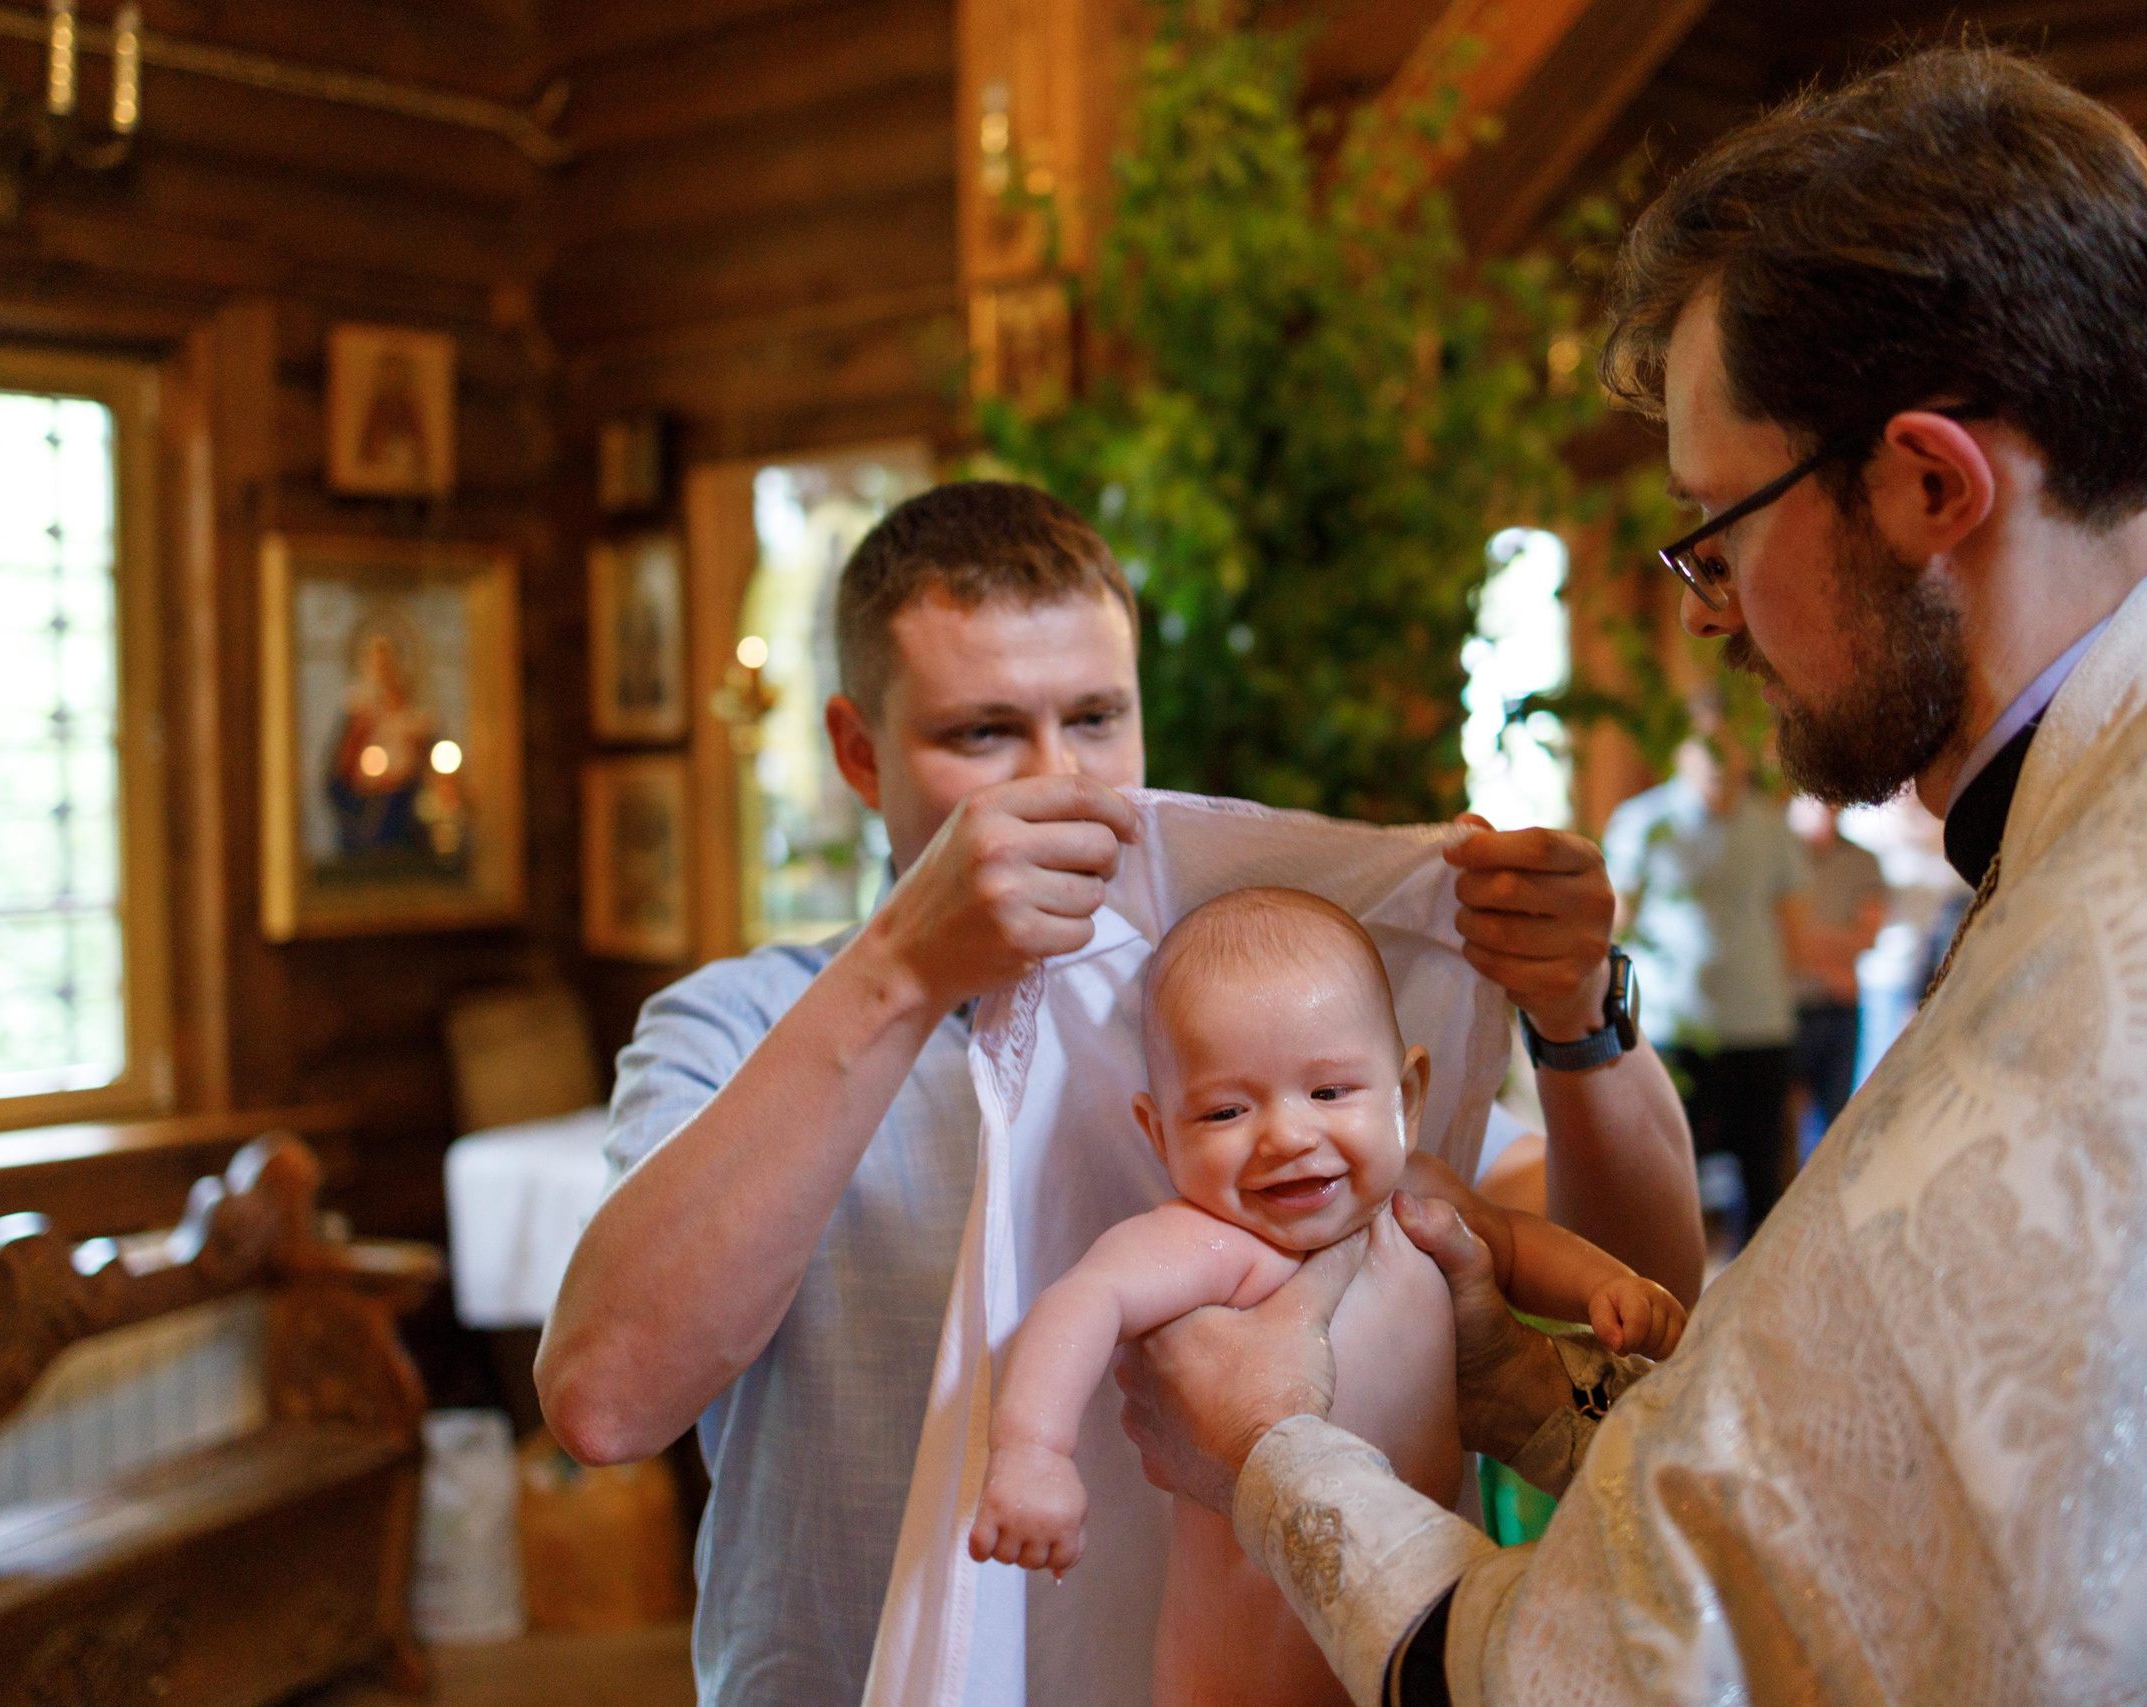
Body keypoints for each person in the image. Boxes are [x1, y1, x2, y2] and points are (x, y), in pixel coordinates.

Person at [1110, 47, 2147, 1705]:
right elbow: (1854, 1528)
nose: (1708, 611)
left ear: (1929, 485)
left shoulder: (2083, 1039)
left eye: (1717, 532)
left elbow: (1594, 1680)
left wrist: (1271, 1446)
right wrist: (1517, 1387)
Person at [534, 481, 1704, 1707]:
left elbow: (1639, 1289)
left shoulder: (1230, 1012)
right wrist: (898, 971)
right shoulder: (742, 1023)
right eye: (982, 735)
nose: (1058, 781)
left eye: (1096, 718)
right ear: (857, 748)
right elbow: (606, 1401)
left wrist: (1577, 1015)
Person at [968, 889, 1684, 1706]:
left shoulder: (1421, 1203)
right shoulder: (1210, 1247)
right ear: (1160, 1133)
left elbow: (1516, 1243)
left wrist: (1607, 1284)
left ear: (1406, 1097)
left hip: (1423, 1641)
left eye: (1331, 1092)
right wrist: (1031, 1453)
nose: (1287, 1135)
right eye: (1227, 1109)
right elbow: (1082, 1301)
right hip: (1241, 1684)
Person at [1601, 717, 1807, 1239]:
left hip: (1758, 1021)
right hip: (1674, 1024)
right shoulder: (1644, 822)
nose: (1718, 757)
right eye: (1706, 743)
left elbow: (1793, 926)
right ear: (1681, 751)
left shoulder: (1771, 824)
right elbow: (1613, 921)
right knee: (1668, 1176)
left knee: (1763, 1177)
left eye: (1728, 744)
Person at [1780, 794, 1886, 1130]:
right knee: (1783, 1123)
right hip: (1788, 1010)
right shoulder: (1779, 859)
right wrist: (1833, 950)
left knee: (1837, 1121)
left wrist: (1804, 943)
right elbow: (1776, 942)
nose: (1824, 810)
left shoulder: (1863, 861)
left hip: (1841, 1007)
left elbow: (1867, 938)